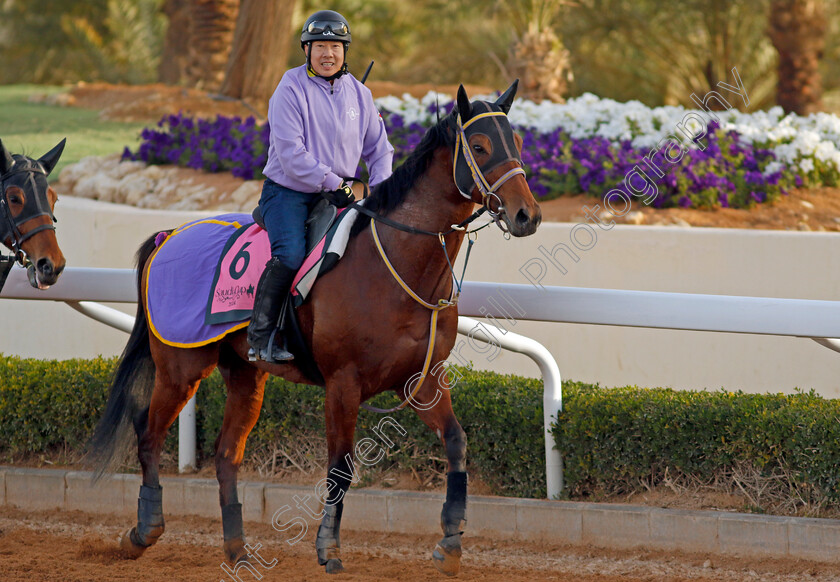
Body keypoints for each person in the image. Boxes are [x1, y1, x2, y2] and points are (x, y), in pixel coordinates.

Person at [247, 9, 395, 363]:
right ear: (306, 50)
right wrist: (333, 182)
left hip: (339, 195)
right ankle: (261, 336)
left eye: (335, 46)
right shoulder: (289, 88)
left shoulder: (360, 94)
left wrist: (385, 192)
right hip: (288, 194)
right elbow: (290, 153)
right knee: (291, 256)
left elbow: (380, 150)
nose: (327, 54)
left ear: (345, 51)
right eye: (319, 47)